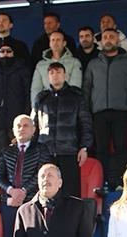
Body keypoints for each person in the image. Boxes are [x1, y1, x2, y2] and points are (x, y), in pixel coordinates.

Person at [12, 163, 94, 237]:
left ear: (60, 183)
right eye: (42, 176)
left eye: (50, 175)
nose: (46, 179)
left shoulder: (78, 208)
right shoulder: (24, 211)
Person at [83, 28, 127, 189]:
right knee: (101, 148)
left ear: (117, 40)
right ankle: (102, 182)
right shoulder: (93, 64)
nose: (108, 39)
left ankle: (121, 182)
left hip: (122, 111)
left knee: (121, 147)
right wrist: (86, 112)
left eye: (112, 37)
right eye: (105, 37)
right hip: (98, 112)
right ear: (101, 41)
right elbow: (86, 89)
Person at [0, 114, 49, 237]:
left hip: (32, 202)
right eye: (18, 126)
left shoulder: (41, 150)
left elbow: (41, 173)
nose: (21, 129)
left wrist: (24, 191)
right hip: (10, 202)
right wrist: (11, 191)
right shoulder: (6, 151)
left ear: (33, 130)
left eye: (26, 125)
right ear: (13, 130)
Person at [32, 62, 92, 197]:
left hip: (69, 151)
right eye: (51, 73)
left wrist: (84, 147)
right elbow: (34, 125)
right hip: (45, 151)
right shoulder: (41, 98)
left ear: (65, 75)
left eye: (58, 72)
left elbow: (86, 123)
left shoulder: (76, 96)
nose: (55, 75)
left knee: (70, 192)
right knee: (46, 191)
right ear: (48, 77)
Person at [0, 43, 31, 138]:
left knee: (17, 145)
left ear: (13, 53)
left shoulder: (22, 69)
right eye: (2, 51)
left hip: (17, 117)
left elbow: (27, 93)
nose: (5, 53)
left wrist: (26, 113)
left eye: (8, 51)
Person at [30, 30, 82, 104]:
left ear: (64, 43)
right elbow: (36, 89)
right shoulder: (40, 65)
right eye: (53, 40)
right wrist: (35, 106)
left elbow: (75, 87)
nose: (55, 42)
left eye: (58, 40)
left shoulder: (74, 62)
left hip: (67, 105)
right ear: (49, 43)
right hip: (46, 106)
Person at [0, 12, 30, 83]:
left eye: (4, 20)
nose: (1, 23)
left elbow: (27, 70)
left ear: (11, 25)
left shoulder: (20, 46)